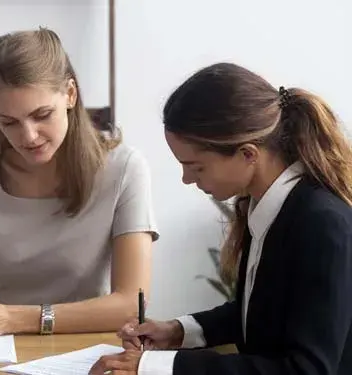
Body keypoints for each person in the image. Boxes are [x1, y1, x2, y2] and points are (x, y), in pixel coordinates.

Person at [90, 62, 352, 375]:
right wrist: (178, 330)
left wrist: (160, 366)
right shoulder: (264, 205)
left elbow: (306, 369)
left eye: (196, 167)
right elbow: (260, 313)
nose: (187, 179)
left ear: (248, 154)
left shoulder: (322, 224)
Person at [0, 28, 159, 340]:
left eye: (42, 115)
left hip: (86, 348)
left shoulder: (124, 169)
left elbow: (131, 306)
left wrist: (14, 319)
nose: (28, 137)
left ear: (70, 94)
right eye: (8, 122)